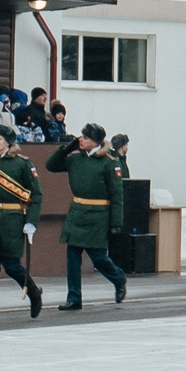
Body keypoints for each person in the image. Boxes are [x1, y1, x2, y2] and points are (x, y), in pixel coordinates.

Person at [48, 122, 129, 308]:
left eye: (85, 138)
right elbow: (51, 165)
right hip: (77, 213)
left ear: (96, 142)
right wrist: (65, 149)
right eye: (81, 137)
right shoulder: (75, 158)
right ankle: (74, 298)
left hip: (98, 215)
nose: (80, 140)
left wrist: (116, 222)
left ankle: (118, 278)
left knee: (99, 258)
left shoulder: (109, 162)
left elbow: (117, 195)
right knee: (73, 258)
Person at [0, 123, 46, 322]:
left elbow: (36, 195)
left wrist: (31, 221)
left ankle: (33, 292)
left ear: (8, 143)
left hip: (12, 220)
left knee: (12, 265)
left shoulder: (22, 163)